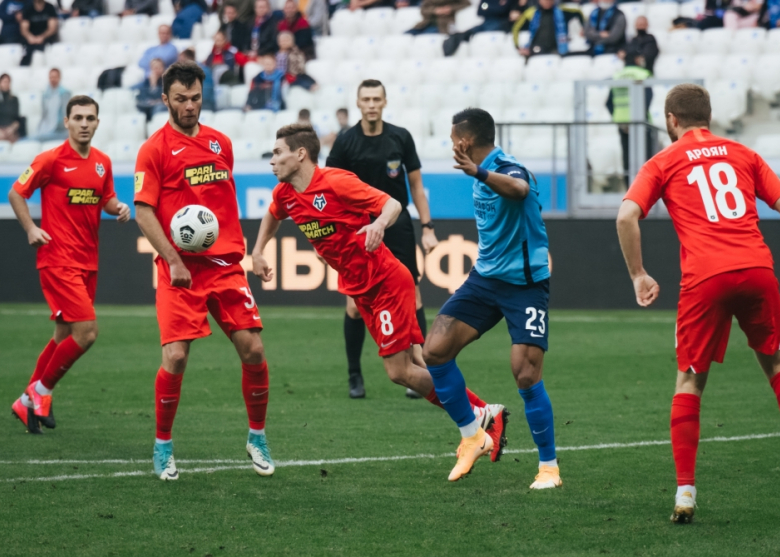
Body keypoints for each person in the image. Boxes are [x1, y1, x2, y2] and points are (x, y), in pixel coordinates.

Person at [615, 83, 780, 523]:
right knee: (779, 365)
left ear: (672, 120)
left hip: (705, 278)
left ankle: (686, 494)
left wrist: (639, 274)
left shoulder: (664, 160)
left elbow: (626, 215)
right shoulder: (743, 154)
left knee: (690, 382)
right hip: (756, 268)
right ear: (708, 116)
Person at [252, 124, 505, 450]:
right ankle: (484, 415)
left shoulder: (335, 181)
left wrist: (378, 224)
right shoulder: (285, 193)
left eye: (277, 153)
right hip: (362, 289)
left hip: (385, 282)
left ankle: (478, 418)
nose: (271, 160)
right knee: (419, 359)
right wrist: (258, 250)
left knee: (399, 371)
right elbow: (274, 214)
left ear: (300, 154)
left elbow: (392, 205)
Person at [134, 61, 275, 481]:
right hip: (180, 270)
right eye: (181, 99)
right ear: (165, 100)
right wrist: (173, 260)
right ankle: (162, 445)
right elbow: (144, 213)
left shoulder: (220, 143)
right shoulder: (154, 149)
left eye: (196, 97)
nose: (190, 106)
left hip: (225, 266)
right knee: (175, 356)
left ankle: (257, 436)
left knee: (253, 350)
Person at [422, 108, 557, 488]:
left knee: (526, 372)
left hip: (525, 284)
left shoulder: (508, 167)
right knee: (434, 350)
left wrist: (478, 171)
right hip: (484, 280)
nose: (451, 145)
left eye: (452, 139)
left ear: (464, 141)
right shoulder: (479, 171)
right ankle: (474, 435)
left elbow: (520, 190)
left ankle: (549, 467)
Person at [8, 95, 131, 435]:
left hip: (88, 261)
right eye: (78, 117)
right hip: (58, 259)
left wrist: (118, 207)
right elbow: (17, 193)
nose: (84, 123)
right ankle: (40, 391)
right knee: (87, 332)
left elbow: (105, 198)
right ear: (66, 122)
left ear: (98, 122)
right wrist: (31, 228)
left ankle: (25, 401)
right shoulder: (50, 160)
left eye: (90, 118)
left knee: (63, 334)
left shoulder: (103, 162)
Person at [326, 80, 438, 400]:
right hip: (358, 229)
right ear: (358, 104)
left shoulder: (400, 137)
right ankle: (354, 375)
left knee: (412, 294)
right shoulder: (346, 142)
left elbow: (416, 186)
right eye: (366, 99)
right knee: (354, 304)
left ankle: (419, 369)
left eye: (377, 98)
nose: (372, 104)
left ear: (385, 102)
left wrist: (428, 226)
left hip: (397, 225)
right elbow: (329, 190)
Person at [606, 47, 653, 178]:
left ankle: (630, 193)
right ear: (636, 59)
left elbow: (608, 103)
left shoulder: (616, 76)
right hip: (641, 122)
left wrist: (619, 119)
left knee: (628, 159)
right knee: (646, 160)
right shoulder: (642, 74)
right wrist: (640, 117)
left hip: (623, 123)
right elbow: (647, 99)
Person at [444, 0, 520, 56]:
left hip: (502, 23)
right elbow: (480, 10)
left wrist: (489, 8)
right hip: (487, 22)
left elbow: (505, 9)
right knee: (467, 32)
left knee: (484, 33)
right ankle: (449, 49)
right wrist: (499, 7)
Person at [512, 0, 584, 57]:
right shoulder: (531, 12)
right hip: (537, 49)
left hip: (557, 50)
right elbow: (516, 28)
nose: (547, 1)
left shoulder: (562, 11)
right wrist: (517, 47)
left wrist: (583, 27)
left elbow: (579, 12)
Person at [34, 69, 71, 142]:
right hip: (46, 128)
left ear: (59, 78)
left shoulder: (65, 93)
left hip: (60, 130)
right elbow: (44, 115)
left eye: (55, 77)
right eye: (51, 77)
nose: (52, 79)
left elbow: (66, 114)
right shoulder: (45, 95)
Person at [19, 0, 59, 66]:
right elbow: (24, 28)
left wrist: (42, 37)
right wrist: (30, 37)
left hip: (47, 39)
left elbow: (52, 28)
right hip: (31, 40)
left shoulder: (50, 7)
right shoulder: (28, 8)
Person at [0, 73, 21, 142]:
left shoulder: (14, 99)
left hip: (11, 129)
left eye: (8, 82)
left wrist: (11, 129)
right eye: (4, 82)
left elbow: (17, 119)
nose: (7, 84)